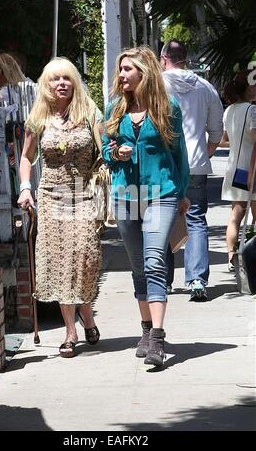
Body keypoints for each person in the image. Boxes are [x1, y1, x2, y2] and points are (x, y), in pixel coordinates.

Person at [102, 46, 190, 367]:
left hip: (161, 194)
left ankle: (157, 338)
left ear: (144, 72)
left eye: (128, 69)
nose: (122, 75)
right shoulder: (113, 109)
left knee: (155, 261)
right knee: (138, 266)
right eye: (121, 69)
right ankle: (145, 328)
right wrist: (117, 154)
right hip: (126, 196)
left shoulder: (168, 107)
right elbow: (105, 151)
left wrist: (182, 192)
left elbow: (179, 154)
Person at [18, 57, 102, 358]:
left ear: (74, 82)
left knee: (85, 255)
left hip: (82, 195)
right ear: (46, 84)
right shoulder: (37, 117)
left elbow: (106, 150)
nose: (61, 83)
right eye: (55, 79)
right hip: (52, 196)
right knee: (61, 261)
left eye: (66, 78)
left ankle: (88, 315)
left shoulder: (89, 112)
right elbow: (26, 158)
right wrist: (25, 188)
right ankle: (70, 332)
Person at [161, 39, 223, 301]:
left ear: (163, 58)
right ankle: (197, 279)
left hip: (163, 164)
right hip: (195, 163)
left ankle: (161, 280)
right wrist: (203, 153)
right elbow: (217, 131)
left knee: (160, 219)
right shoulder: (205, 87)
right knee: (196, 218)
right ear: (186, 58)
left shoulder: (155, 85)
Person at [219, 70, 256, 270]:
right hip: (251, 169)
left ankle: (231, 257)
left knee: (236, 215)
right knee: (255, 217)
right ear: (248, 88)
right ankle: (251, 257)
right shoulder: (252, 111)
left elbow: (224, 141)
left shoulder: (229, 110)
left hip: (234, 169)